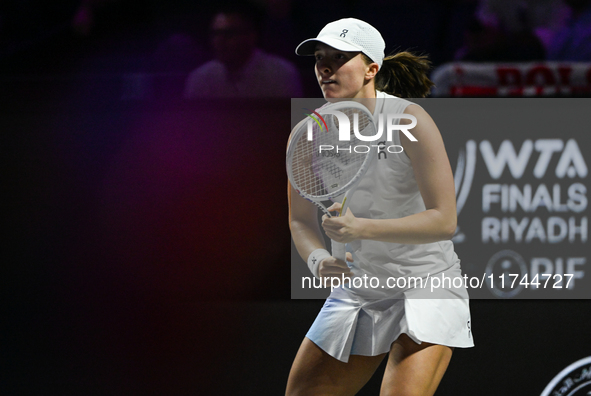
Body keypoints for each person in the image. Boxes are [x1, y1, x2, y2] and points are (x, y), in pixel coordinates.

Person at [286, 18, 473, 396]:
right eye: (320, 58)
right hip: (358, 290)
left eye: (339, 57)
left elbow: (444, 221)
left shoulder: (409, 120)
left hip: (424, 285)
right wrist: (319, 260)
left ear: (372, 68)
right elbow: (300, 221)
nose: (325, 67)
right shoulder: (307, 133)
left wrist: (362, 229)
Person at [183, 2, 302, 99]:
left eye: (229, 34)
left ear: (251, 36)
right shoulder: (200, 78)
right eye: (216, 34)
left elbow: (298, 125)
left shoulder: (281, 74)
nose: (220, 41)